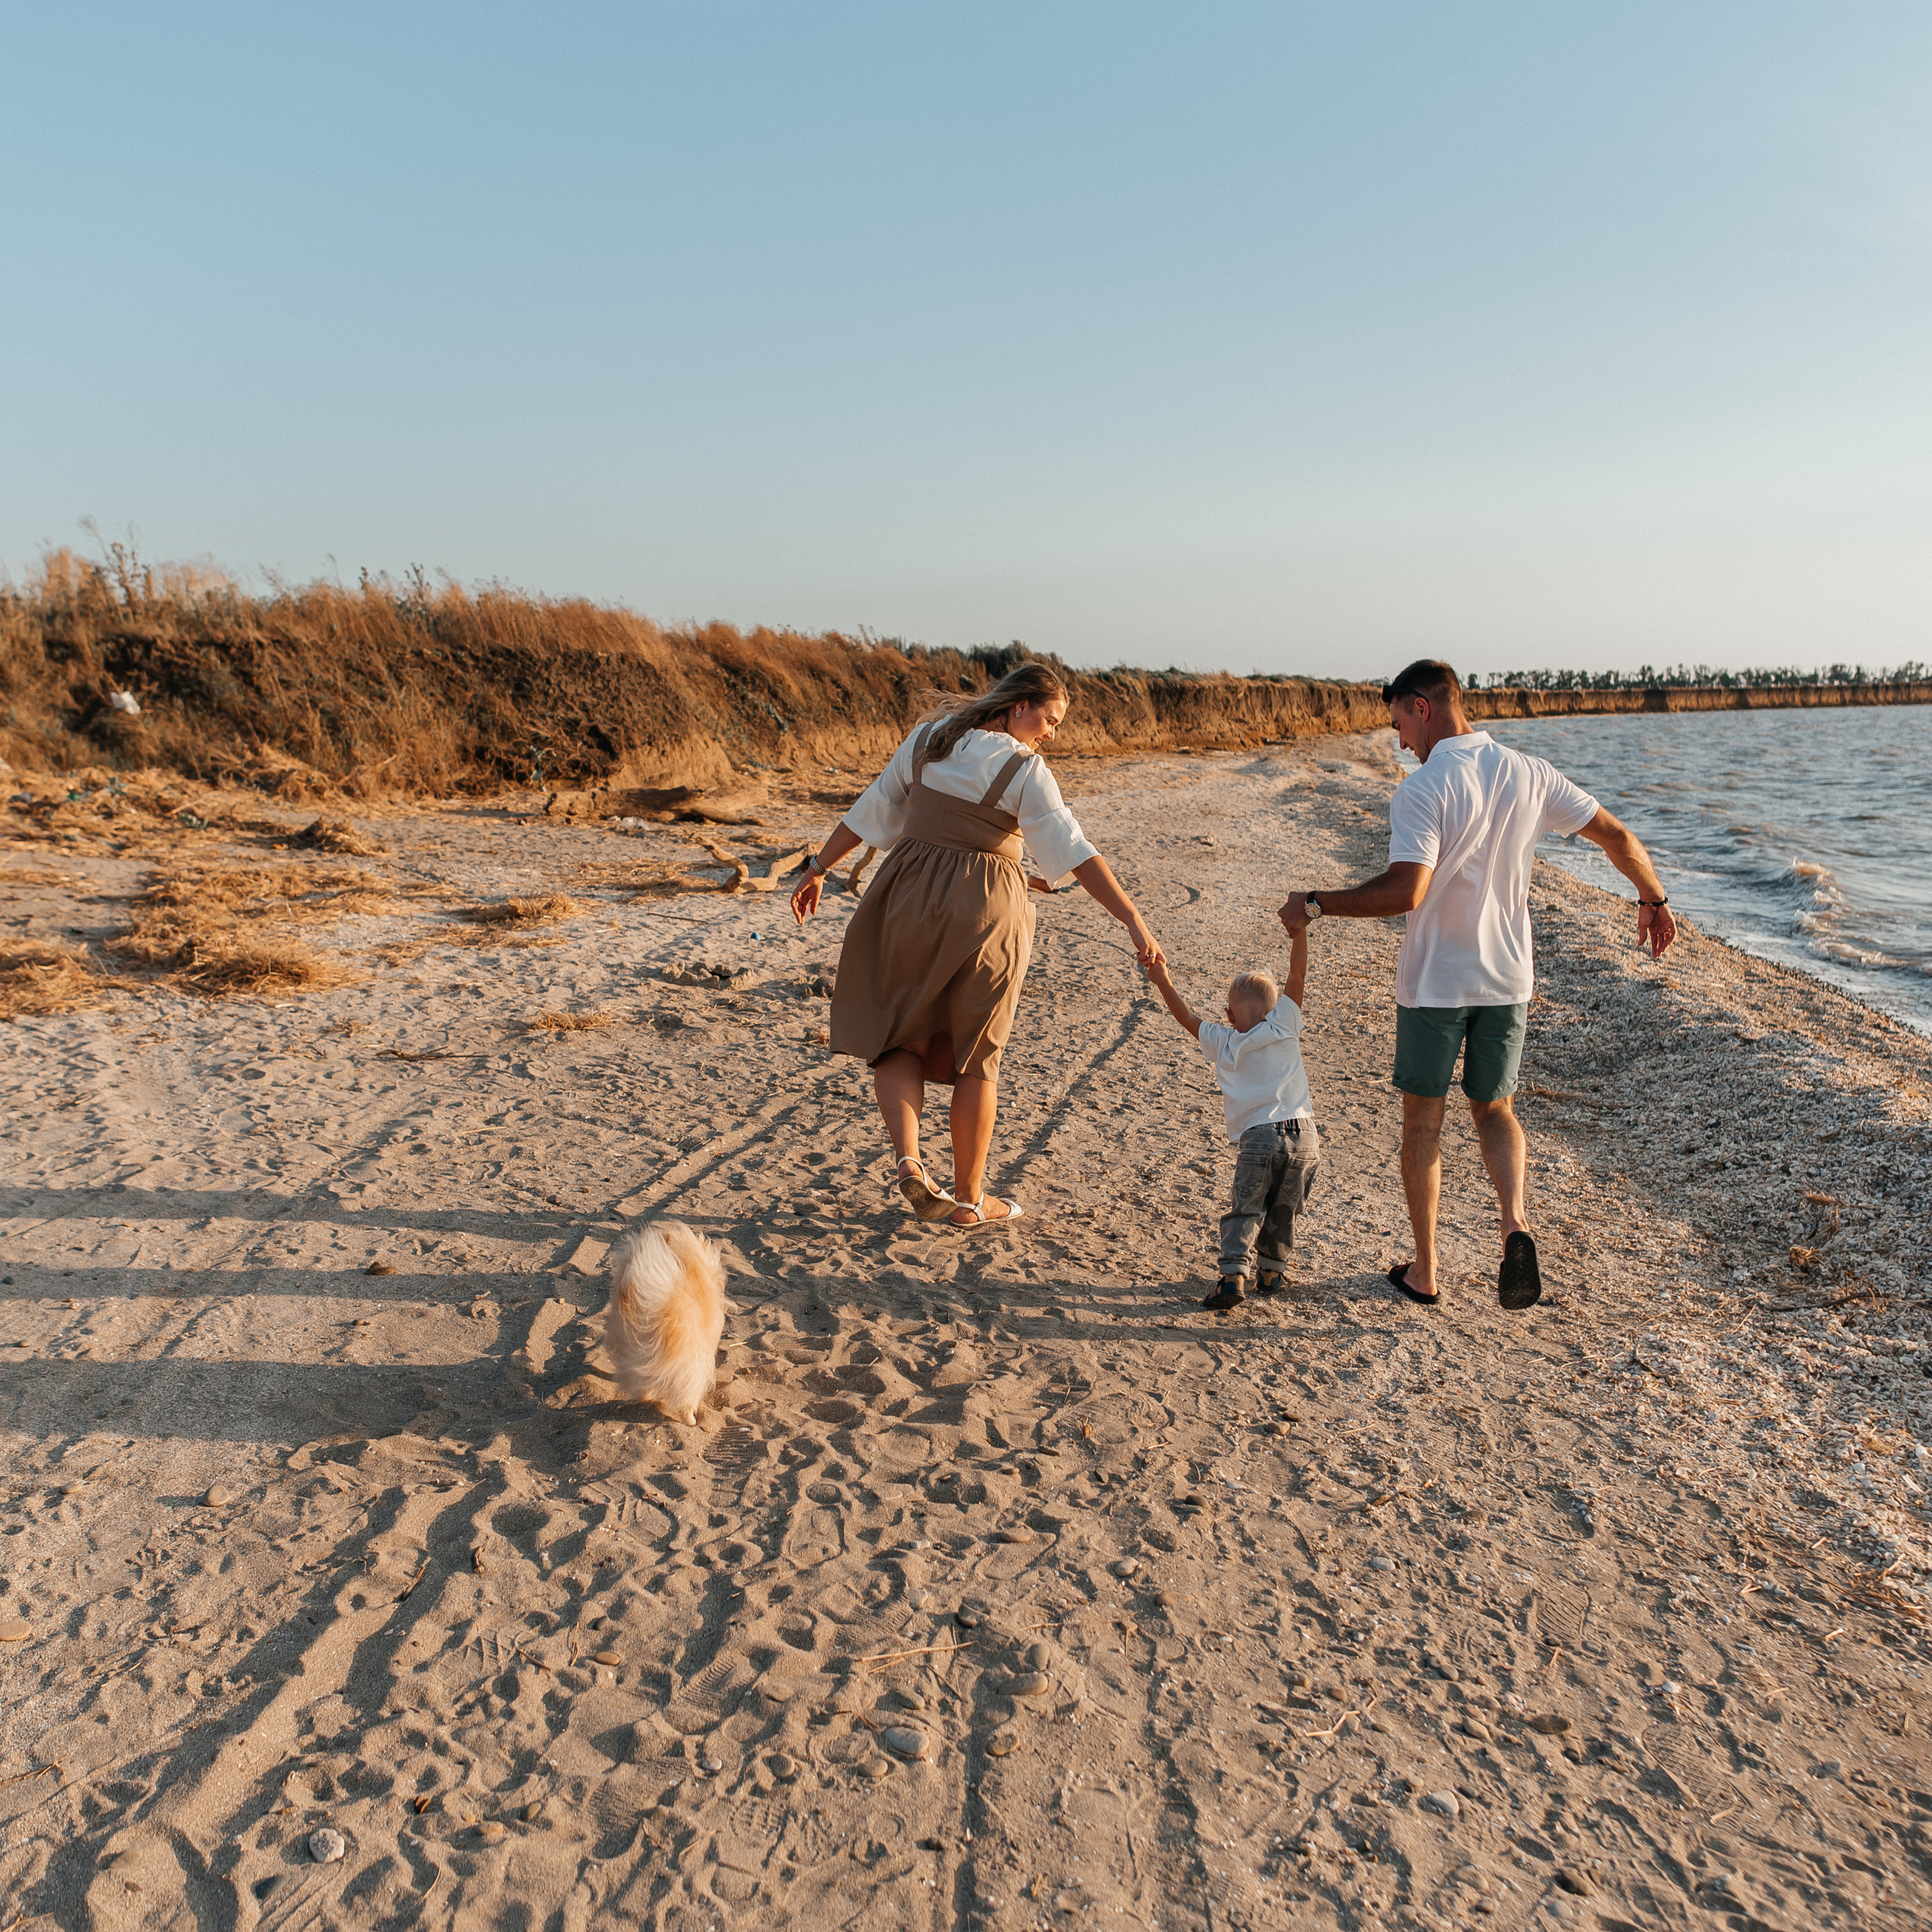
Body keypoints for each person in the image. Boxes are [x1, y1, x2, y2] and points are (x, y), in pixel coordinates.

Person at [1279, 659, 1676, 1310]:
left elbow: (1407, 889)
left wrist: (1316, 903)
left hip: (1438, 982)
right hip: (1509, 977)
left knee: (1423, 1123)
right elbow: (1618, 835)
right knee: (1495, 1111)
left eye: (1399, 723)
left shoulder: (1422, 789)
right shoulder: (1529, 772)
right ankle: (1515, 1221)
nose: (1400, 740)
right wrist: (1654, 898)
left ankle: (1426, 1272)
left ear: (1422, 706)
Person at [790, 662, 1163, 1227]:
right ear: (1019, 707)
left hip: (906, 898)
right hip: (987, 915)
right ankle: (970, 1199)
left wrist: (818, 866)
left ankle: (910, 1161)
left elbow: (873, 809)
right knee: (977, 1056)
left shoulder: (927, 741)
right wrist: (1132, 917)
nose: (1051, 734)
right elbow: (1073, 850)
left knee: (901, 1039)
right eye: (1050, 719)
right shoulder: (1024, 770)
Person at [1146, 923, 1319, 1312]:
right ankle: (1272, 1271)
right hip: (1306, 1136)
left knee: (1247, 1205)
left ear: (1228, 1013)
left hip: (1259, 1138)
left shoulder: (1225, 1040)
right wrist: (1299, 932)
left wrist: (1162, 979)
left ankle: (1232, 1275)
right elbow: (1298, 974)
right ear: (1275, 1009)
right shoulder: (1284, 1023)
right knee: (1286, 1206)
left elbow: (1185, 1016)